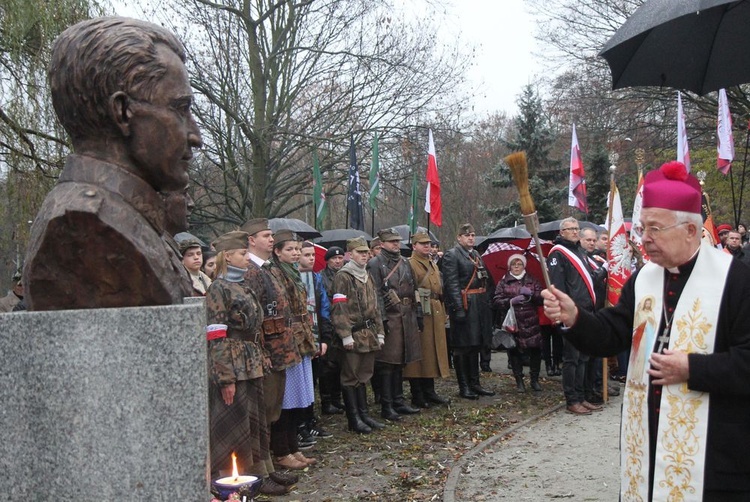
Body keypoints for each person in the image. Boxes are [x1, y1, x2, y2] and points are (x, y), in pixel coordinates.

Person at [542, 161, 750, 501]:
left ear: (690, 230)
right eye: (642, 228)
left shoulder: (737, 281)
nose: (644, 239)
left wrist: (692, 368)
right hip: (649, 448)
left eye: (655, 228)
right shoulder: (646, 278)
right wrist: (576, 317)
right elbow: (615, 331)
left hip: (715, 455)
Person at [25, 17, 200, 310]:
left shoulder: (131, 220)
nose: (195, 136)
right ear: (122, 112)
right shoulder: (83, 227)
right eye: (180, 109)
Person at [205, 230, 294, 496]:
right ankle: (239, 480)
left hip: (250, 359)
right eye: (242, 253)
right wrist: (225, 377)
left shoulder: (241, 284)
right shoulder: (218, 288)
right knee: (235, 425)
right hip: (233, 363)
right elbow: (215, 335)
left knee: (256, 421)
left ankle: (262, 470)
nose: (247, 257)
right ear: (227, 256)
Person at [241, 218, 302, 489]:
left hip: (280, 349)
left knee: (272, 411)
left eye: (271, 235)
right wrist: (262, 351)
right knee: (263, 413)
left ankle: (267, 466)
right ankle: (259, 472)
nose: (271, 239)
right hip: (266, 352)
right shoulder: (251, 271)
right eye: (266, 235)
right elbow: (254, 317)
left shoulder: (270, 269)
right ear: (251, 239)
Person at [270, 230, 318, 469]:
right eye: (290, 249)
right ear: (277, 252)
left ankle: (293, 447)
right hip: (287, 341)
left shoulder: (296, 273)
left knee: (299, 397)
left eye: (297, 249)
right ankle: (282, 450)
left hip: (301, 339)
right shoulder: (276, 273)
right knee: (286, 398)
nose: (296, 253)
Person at [547, 218, 604, 416]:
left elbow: (590, 278)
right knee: (572, 358)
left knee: (583, 356)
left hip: (587, 310)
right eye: (570, 229)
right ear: (562, 232)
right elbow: (557, 286)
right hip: (571, 312)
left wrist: (606, 269)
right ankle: (572, 399)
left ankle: (581, 396)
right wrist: (564, 311)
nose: (574, 232)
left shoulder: (579, 251)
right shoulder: (558, 253)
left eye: (576, 229)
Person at [331, 237, 386, 434]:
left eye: (366, 252)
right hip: (354, 333)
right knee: (351, 376)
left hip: (368, 333)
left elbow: (376, 306)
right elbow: (339, 308)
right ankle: (354, 418)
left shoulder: (367, 275)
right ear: (350, 254)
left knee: (364, 375)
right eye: (359, 252)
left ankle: (364, 414)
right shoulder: (343, 276)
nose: (364, 255)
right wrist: (345, 335)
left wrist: (380, 332)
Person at [367, 228, 422, 420]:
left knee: (400, 363)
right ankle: (387, 404)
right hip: (390, 316)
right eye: (391, 242)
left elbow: (414, 289)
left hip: (406, 315)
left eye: (397, 241)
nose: (396, 244)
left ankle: (399, 401)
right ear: (382, 244)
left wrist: (419, 314)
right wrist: (382, 321)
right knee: (387, 364)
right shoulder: (375, 263)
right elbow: (375, 294)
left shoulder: (405, 262)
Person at [442, 223, 495, 399]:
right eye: (467, 235)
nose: (471, 238)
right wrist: (457, 309)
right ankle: (464, 386)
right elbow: (451, 284)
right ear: (459, 238)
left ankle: (475, 383)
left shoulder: (475, 254)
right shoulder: (452, 255)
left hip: (478, 304)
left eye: (472, 235)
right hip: (465, 305)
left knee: (475, 346)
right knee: (462, 348)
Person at [403, 232, 450, 408]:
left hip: (435, 309)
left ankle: (430, 391)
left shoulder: (432, 263)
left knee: (432, 352)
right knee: (420, 354)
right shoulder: (410, 264)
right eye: (422, 244)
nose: (427, 246)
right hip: (421, 311)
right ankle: (418, 394)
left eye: (429, 243)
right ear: (414, 246)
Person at [297, 241, 334, 443]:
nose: (311, 258)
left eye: (312, 255)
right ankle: (300, 424)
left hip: (316, 335)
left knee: (313, 382)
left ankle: (310, 420)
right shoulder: (293, 278)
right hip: (299, 339)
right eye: (306, 254)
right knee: (301, 384)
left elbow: (324, 309)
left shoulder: (316, 278)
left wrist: (325, 338)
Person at [493, 254, 544, 393]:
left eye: (519, 264)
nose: (516, 266)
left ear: (524, 265)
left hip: (531, 321)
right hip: (514, 322)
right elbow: (496, 300)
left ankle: (535, 380)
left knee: (535, 351)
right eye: (514, 264)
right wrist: (510, 301)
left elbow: (541, 298)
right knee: (514, 351)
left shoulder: (531, 279)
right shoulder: (504, 282)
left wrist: (532, 295)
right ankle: (519, 380)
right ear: (510, 266)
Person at [318, 246, 346, 415]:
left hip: (342, 324)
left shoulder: (344, 276)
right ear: (327, 260)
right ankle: (326, 401)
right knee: (327, 367)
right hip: (329, 324)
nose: (337, 261)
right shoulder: (321, 277)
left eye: (340, 258)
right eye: (334, 258)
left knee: (339, 365)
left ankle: (337, 399)